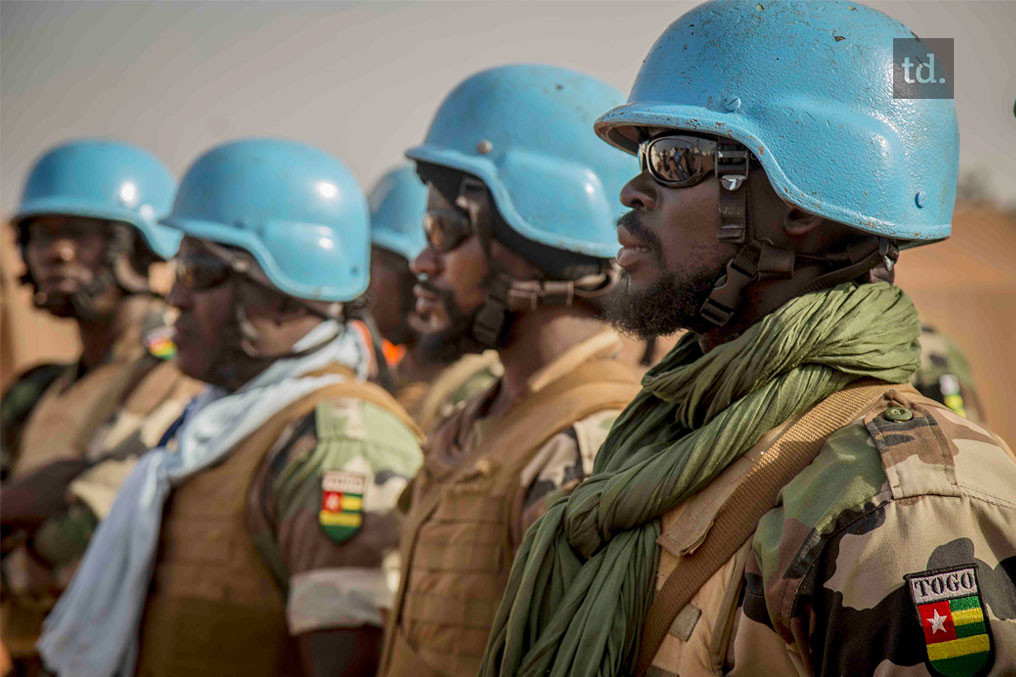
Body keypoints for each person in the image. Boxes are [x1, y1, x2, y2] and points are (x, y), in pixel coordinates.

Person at [482, 3, 1016, 676]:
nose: (630, 190)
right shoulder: (662, 443)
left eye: (671, 159)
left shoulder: (908, 501)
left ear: (797, 203)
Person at [37, 139, 424, 677]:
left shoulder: (337, 442)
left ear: (286, 290)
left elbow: (350, 662)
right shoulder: (210, 425)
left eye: (199, 273)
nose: (175, 298)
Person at [378, 64, 645, 677]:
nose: (421, 261)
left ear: (538, 242)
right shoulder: (476, 418)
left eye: (444, 230)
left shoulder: (589, 444)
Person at [0, 140, 199, 671]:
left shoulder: (175, 371)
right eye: (42, 234)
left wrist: (22, 552)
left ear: (135, 245)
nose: (56, 252)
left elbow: (93, 519)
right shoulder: (36, 392)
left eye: (79, 235)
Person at [365, 165, 501, 432]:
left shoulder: (475, 394)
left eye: (376, 261)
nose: (364, 279)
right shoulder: (396, 376)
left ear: (416, 279)